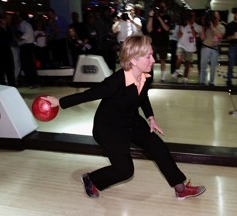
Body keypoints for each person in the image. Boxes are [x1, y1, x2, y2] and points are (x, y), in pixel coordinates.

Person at [42, 35, 206, 200]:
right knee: (125, 171)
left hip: (131, 120)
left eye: (152, 54)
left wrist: (150, 117)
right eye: (148, 56)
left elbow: (142, 96)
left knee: (159, 147)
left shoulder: (145, 76)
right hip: (109, 128)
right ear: (133, 60)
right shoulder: (117, 81)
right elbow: (91, 94)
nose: (153, 60)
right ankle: (91, 179)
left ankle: (180, 188)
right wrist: (59, 102)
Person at [173, 11, 202, 84]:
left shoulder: (197, 26)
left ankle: (185, 77)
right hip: (181, 45)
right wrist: (180, 27)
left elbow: (195, 35)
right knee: (179, 57)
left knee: (187, 63)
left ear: (194, 17)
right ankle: (177, 70)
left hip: (190, 47)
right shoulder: (183, 25)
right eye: (189, 16)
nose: (190, 18)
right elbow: (179, 36)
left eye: (192, 16)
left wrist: (191, 26)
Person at [146, 1, 171, 82]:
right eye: (160, 7)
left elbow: (167, 28)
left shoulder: (167, 17)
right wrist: (151, 17)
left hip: (164, 43)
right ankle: (151, 77)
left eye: (163, 7)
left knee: (162, 60)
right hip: (154, 43)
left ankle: (163, 78)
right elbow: (149, 29)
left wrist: (160, 18)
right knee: (152, 61)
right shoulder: (153, 18)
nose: (161, 9)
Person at [199, 11, 225, 86]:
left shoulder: (221, 27)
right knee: (203, 66)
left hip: (215, 49)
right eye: (214, 16)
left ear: (219, 17)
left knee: (213, 67)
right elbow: (202, 38)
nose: (215, 18)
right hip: (205, 48)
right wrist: (204, 28)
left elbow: (220, 36)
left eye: (217, 16)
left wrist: (212, 27)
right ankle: (201, 82)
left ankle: (211, 83)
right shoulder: (207, 25)